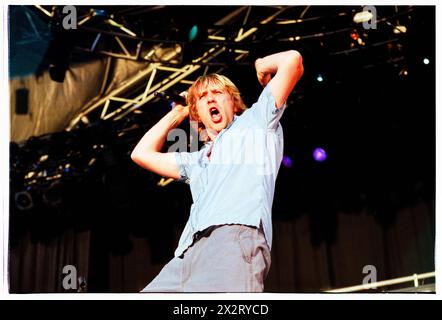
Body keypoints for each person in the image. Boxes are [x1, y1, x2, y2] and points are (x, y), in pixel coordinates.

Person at [131, 50, 304, 292]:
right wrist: (176, 114)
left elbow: (293, 61)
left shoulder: (256, 121)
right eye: (202, 97)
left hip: (232, 241)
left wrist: (261, 63)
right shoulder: (197, 160)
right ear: (197, 113)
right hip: (186, 255)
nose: (211, 99)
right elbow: (141, 154)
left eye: (217, 93)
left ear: (233, 102)